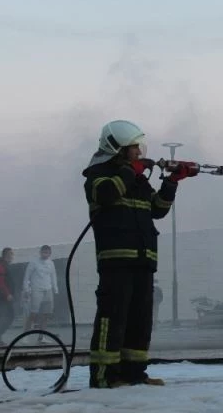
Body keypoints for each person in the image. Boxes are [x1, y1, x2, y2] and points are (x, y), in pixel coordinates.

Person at [82, 119, 194, 388]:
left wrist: (172, 182)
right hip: (116, 259)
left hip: (144, 259)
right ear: (118, 148)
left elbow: (157, 210)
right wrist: (131, 172)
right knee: (113, 317)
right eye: (134, 148)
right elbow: (106, 194)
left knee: (140, 319)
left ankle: (133, 374)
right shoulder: (98, 175)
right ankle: (105, 376)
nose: (140, 153)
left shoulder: (137, 179)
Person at [22, 245, 58, 343]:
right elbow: (27, 276)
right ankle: (25, 336)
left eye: (47, 252)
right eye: (43, 252)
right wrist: (26, 290)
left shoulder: (51, 263)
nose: (45, 254)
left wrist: (55, 288)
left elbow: (53, 275)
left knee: (46, 314)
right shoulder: (33, 262)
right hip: (36, 290)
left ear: (50, 253)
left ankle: (41, 337)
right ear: (40, 252)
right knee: (33, 313)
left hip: (48, 290)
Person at [0, 248, 15, 347]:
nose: (12, 256)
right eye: (11, 254)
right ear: (6, 255)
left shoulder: (5, 265)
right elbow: (0, 282)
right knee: (9, 316)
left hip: (4, 297)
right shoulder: (1, 265)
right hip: (2, 297)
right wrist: (7, 294)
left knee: (3, 317)